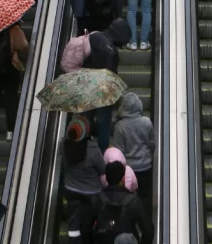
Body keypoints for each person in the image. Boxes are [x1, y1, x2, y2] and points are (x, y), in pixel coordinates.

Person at [83, 18, 131, 152]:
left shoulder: (95, 36)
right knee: (104, 123)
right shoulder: (111, 51)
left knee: (85, 118)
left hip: (86, 85)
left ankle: (82, 147)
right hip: (102, 93)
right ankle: (102, 151)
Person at [63, 115, 106, 244]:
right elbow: (103, 169)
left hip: (70, 190)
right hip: (92, 193)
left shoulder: (64, 146)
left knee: (75, 217)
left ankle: (75, 237)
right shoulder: (92, 149)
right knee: (89, 220)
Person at [113, 92, 155, 215]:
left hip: (128, 170)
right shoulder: (147, 122)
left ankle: (129, 221)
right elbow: (152, 144)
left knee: (128, 198)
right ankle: (144, 220)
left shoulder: (119, 127)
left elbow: (118, 151)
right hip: (145, 166)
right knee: (144, 197)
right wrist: (149, 157)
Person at [92, 162, 154, 244]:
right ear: (123, 178)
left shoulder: (97, 199)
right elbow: (148, 230)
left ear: (106, 178)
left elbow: (86, 226)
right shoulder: (133, 201)